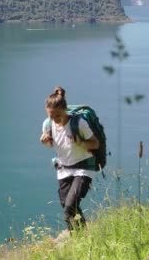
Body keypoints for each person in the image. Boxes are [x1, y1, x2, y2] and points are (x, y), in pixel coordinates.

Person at [40, 86, 99, 231]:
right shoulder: (48, 124)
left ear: (65, 111)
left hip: (83, 168)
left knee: (70, 207)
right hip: (63, 169)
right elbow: (57, 145)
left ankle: (79, 236)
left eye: (57, 116)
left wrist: (80, 142)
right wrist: (46, 142)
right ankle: (81, 235)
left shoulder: (79, 123)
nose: (54, 119)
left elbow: (95, 144)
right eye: (50, 116)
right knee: (68, 207)